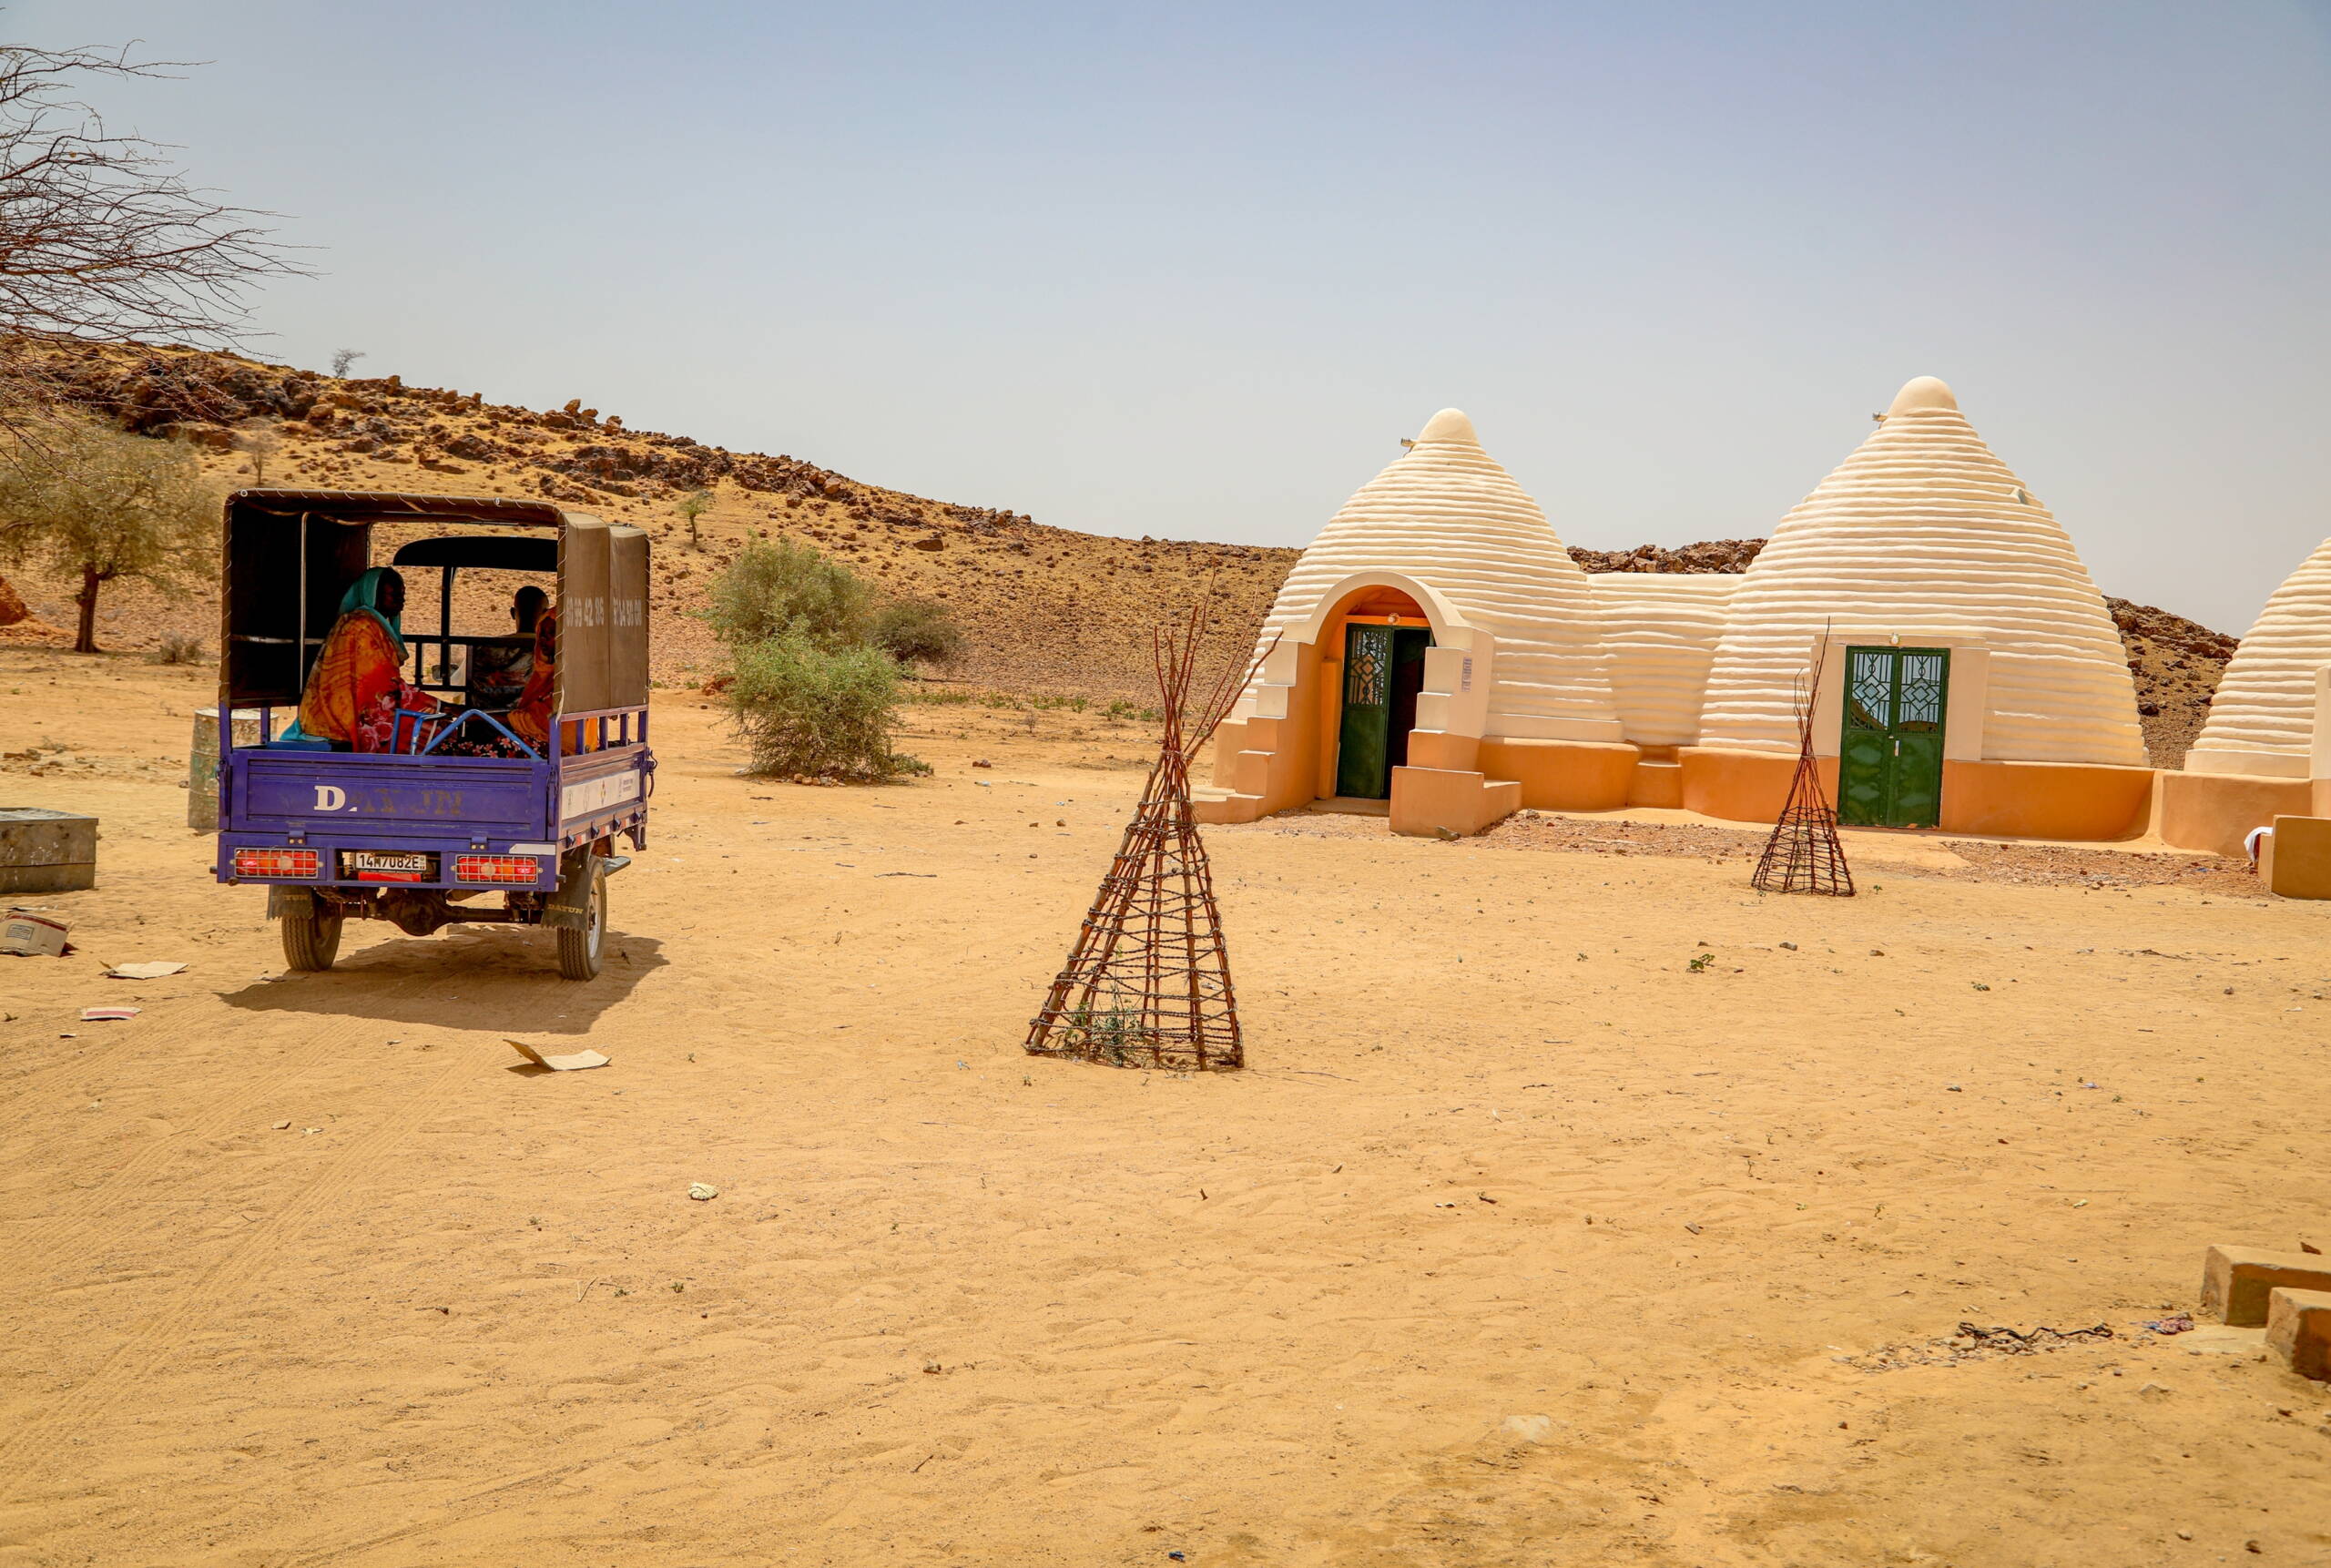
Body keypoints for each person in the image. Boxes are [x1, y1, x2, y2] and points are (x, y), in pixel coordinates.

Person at [299, 567, 441, 751]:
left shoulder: (372, 625)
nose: (401, 599)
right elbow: (382, 690)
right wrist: (441, 707)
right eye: (393, 594)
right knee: (438, 737)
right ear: (372, 594)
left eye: (402, 594)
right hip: (340, 721)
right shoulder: (361, 626)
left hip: (359, 712)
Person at [468, 585, 545, 708]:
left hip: (485, 719)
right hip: (533, 720)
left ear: (513, 613)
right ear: (546, 614)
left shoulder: (483, 648)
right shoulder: (550, 651)